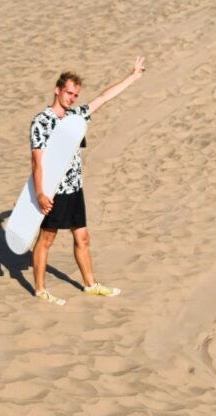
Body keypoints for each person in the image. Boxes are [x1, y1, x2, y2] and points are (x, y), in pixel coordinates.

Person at [30, 57, 146, 305]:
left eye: (75, 95)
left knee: (82, 238)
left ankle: (90, 284)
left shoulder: (76, 115)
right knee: (46, 239)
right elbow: (36, 161)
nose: (71, 98)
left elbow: (103, 98)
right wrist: (40, 193)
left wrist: (133, 76)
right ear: (57, 90)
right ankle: (40, 289)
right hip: (54, 190)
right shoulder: (41, 121)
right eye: (68, 93)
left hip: (75, 189)